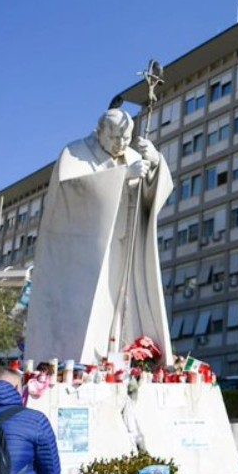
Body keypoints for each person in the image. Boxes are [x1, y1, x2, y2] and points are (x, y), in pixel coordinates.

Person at [24, 107, 173, 368]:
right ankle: (79, 363)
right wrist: (122, 175)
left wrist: (155, 165)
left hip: (125, 245)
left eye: (126, 138)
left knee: (122, 306)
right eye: (114, 137)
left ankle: (125, 361)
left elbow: (151, 199)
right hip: (86, 252)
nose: (120, 144)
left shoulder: (133, 156)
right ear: (99, 132)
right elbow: (69, 191)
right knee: (90, 309)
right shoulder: (75, 153)